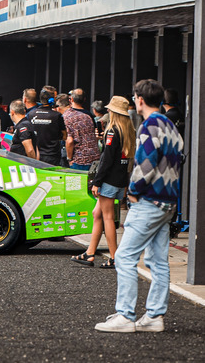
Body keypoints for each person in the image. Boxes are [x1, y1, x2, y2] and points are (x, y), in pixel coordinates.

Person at [95, 79, 183, 333]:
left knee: (124, 256)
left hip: (149, 201)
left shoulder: (149, 126)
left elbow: (146, 164)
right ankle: (154, 316)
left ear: (140, 100)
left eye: (135, 98)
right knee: (158, 260)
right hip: (167, 201)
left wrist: (132, 191)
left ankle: (125, 315)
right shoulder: (170, 125)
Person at [73, 96, 134, 269]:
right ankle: (90, 253)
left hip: (108, 180)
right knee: (97, 214)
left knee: (107, 217)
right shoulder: (128, 130)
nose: (107, 111)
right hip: (120, 180)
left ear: (114, 112)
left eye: (110, 109)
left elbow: (106, 160)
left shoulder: (113, 131)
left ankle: (114, 258)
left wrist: (97, 182)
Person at [60, 90, 100, 171]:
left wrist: (69, 159)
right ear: (84, 99)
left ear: (71, 100)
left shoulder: (66, 116)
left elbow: (70, 140)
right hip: (94, 157)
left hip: (79, 159)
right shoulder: (89, 116)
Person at [29, 88, 66, 166]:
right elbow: (64, 136)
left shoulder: (31, 114)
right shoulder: (57, 115)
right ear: (51, 100)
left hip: (35, 155)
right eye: (55, 97)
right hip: (52, 156)